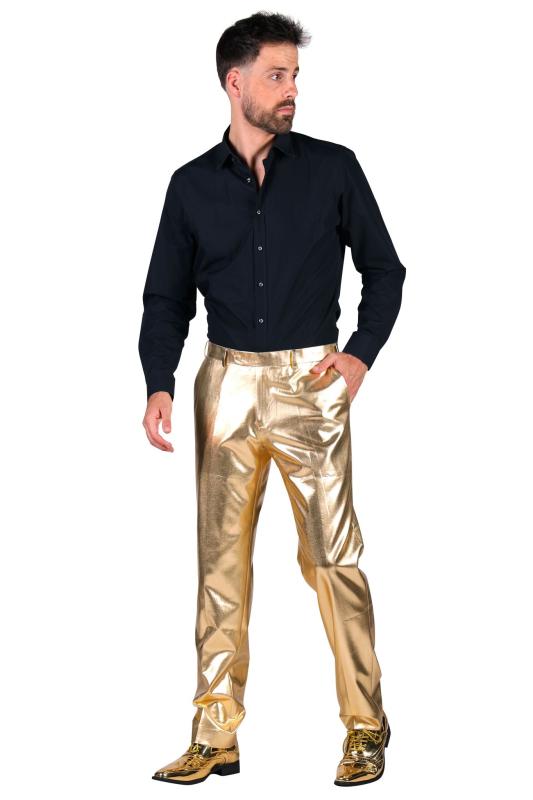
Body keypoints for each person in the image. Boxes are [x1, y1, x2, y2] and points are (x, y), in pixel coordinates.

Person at [139, 10, 405, 787]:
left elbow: (384, 270)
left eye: (294, 76)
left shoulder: (332, 168)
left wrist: (357, 357)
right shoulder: (190, 185)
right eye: (276, 76)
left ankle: (365, 725)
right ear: (235, 82)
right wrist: (158, 380)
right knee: (219, 567)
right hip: (223, 384)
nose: (291, 90)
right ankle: (214, 734)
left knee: (331, 559)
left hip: (309, 383)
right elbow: (165, 297)